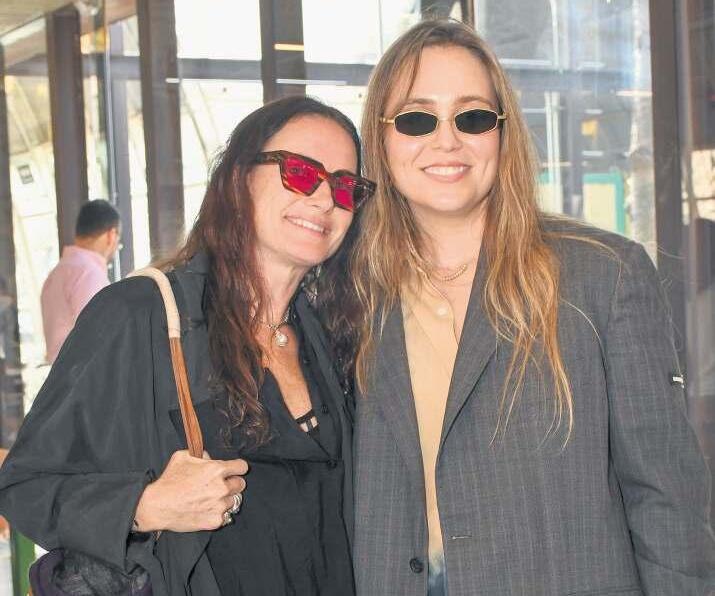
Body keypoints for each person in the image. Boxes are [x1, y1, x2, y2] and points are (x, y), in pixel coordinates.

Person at [346, 19, 715, 595]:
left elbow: (666, 499)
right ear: (381, 138)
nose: (447, 141)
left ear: (503, 132)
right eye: (417, 119)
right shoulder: (350, 291)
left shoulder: (603, 276)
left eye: (472, 117)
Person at [0, 96, 374, 595]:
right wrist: (144, 505)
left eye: (345, 187)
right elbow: (25, 485)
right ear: (238, 179)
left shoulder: (330, 334)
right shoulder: (140, 314)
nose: (325, 200)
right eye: (301, 173)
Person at [40, 199, 121, 363]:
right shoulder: (89, 274)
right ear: (111, 235)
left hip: (61, 373)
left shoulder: (56, 274)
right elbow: (99, 340)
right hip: (84, 374)